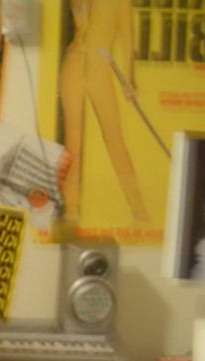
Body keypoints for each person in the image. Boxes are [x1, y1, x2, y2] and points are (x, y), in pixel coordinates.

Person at [59, 0, 149, 225]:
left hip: (99, 70)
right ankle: (72, 207)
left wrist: (130, 81)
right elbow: (79, 21)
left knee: (114, 138)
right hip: (73, 63)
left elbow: (128, 39)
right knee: (73, 142)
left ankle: (137, 205)